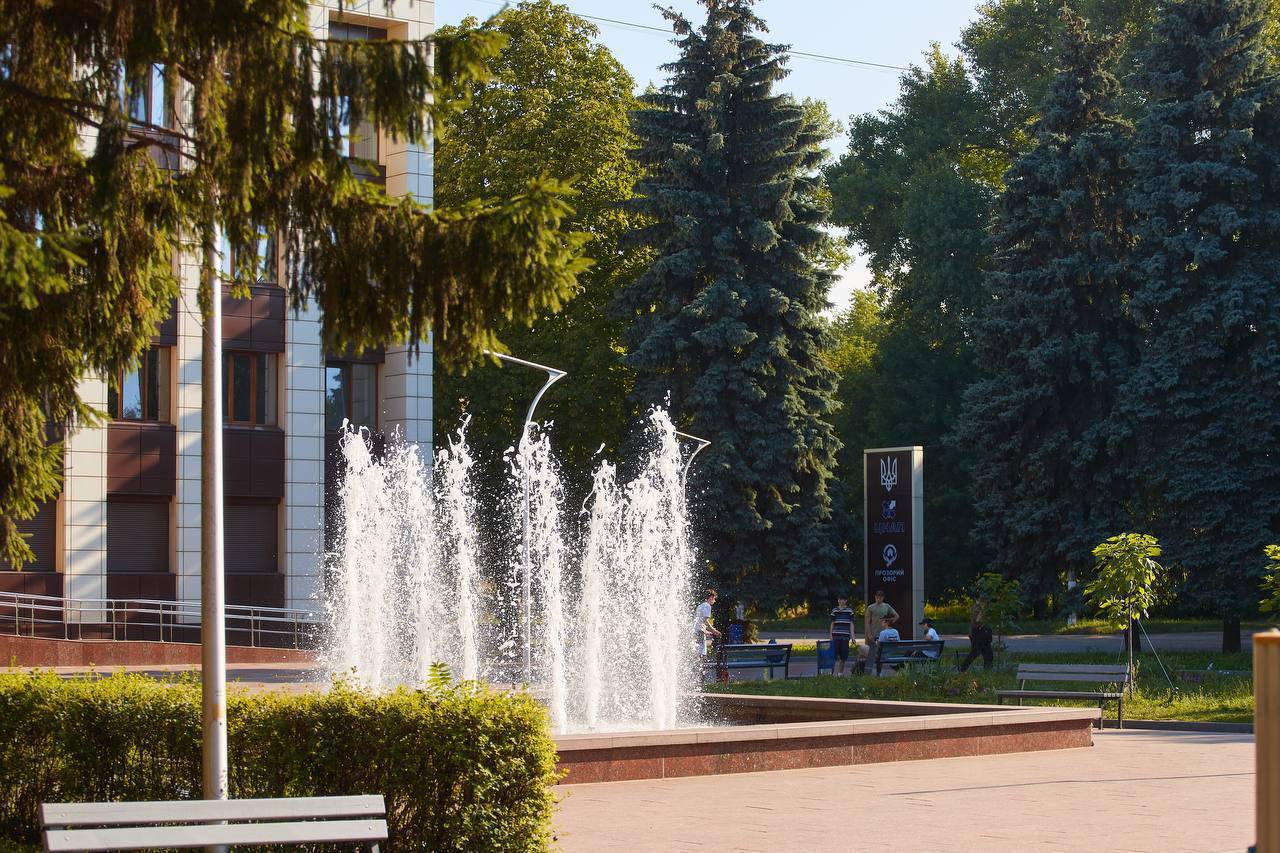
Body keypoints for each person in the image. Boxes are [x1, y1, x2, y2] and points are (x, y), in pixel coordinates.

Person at [864, 590, 898, 668]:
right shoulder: (871, 607)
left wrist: (889, 622)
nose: (878, 598)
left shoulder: (886, 606)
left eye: (880, 597)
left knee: (881, 654)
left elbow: (896, 616)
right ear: (875, 597)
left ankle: (878, 671)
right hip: (873, 633)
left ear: (883, 597)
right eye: (877, 596)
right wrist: (869, 634)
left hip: (883, 634)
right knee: (871, 653)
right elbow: (867, 622)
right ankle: (868, 670)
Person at [959, 603, 994, 672]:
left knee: (985, 653)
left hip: (981, 630)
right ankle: (963, 668)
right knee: (977, 651)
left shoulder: (981, 608)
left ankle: (963, 668)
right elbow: (977, 620)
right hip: (978, 631)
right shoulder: (978, 608)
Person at [829, 595, 855, 675]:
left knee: (843, 656)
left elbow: (851, 624)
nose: (841, 601)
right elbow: (832, 623)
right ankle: (831, 672)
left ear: (846, 601)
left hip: (845, 636)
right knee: (833, 655)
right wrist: (831, 635)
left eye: (843, 600)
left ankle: (840, 674)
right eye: (840, 599)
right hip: (836, 635)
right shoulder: (834, 610)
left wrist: (853, 637)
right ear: (838, 600)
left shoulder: (850, 611)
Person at [694, 588, 722, 658]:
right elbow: (705, 621)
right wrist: (714, 631)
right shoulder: (707, 606)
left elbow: (700, 622)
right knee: (701, 653)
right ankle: (700, 664)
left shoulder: (700, 606)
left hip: (696, 630)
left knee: (697, 651)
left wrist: (709, 631)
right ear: (711, 597)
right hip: (700, 632)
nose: (714, 601)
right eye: (714, 599)